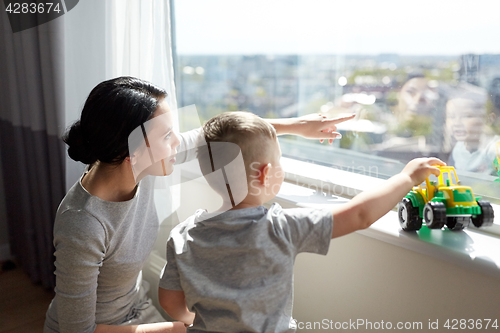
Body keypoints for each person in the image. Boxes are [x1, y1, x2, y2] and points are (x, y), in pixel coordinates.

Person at [43, 76, 353, 333]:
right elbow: (77, 330)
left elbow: (213, 137)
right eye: (167, 135)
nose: (178, 141)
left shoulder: (136, 164)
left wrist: (297, 126)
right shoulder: (82, 224)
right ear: (133, 152)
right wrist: (178, 329)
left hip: (137, 312)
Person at [158, 111, 445, 332]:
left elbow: (171, 302)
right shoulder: (279, 227)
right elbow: (359, 215)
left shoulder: (183, 235)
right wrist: (407, 177)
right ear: (265, 174)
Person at [446, 82, 500, 175]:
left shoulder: (494, 151)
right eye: (451, 116)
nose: (456, 123)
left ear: (489, 119)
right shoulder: (458, 149)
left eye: (467, 116)